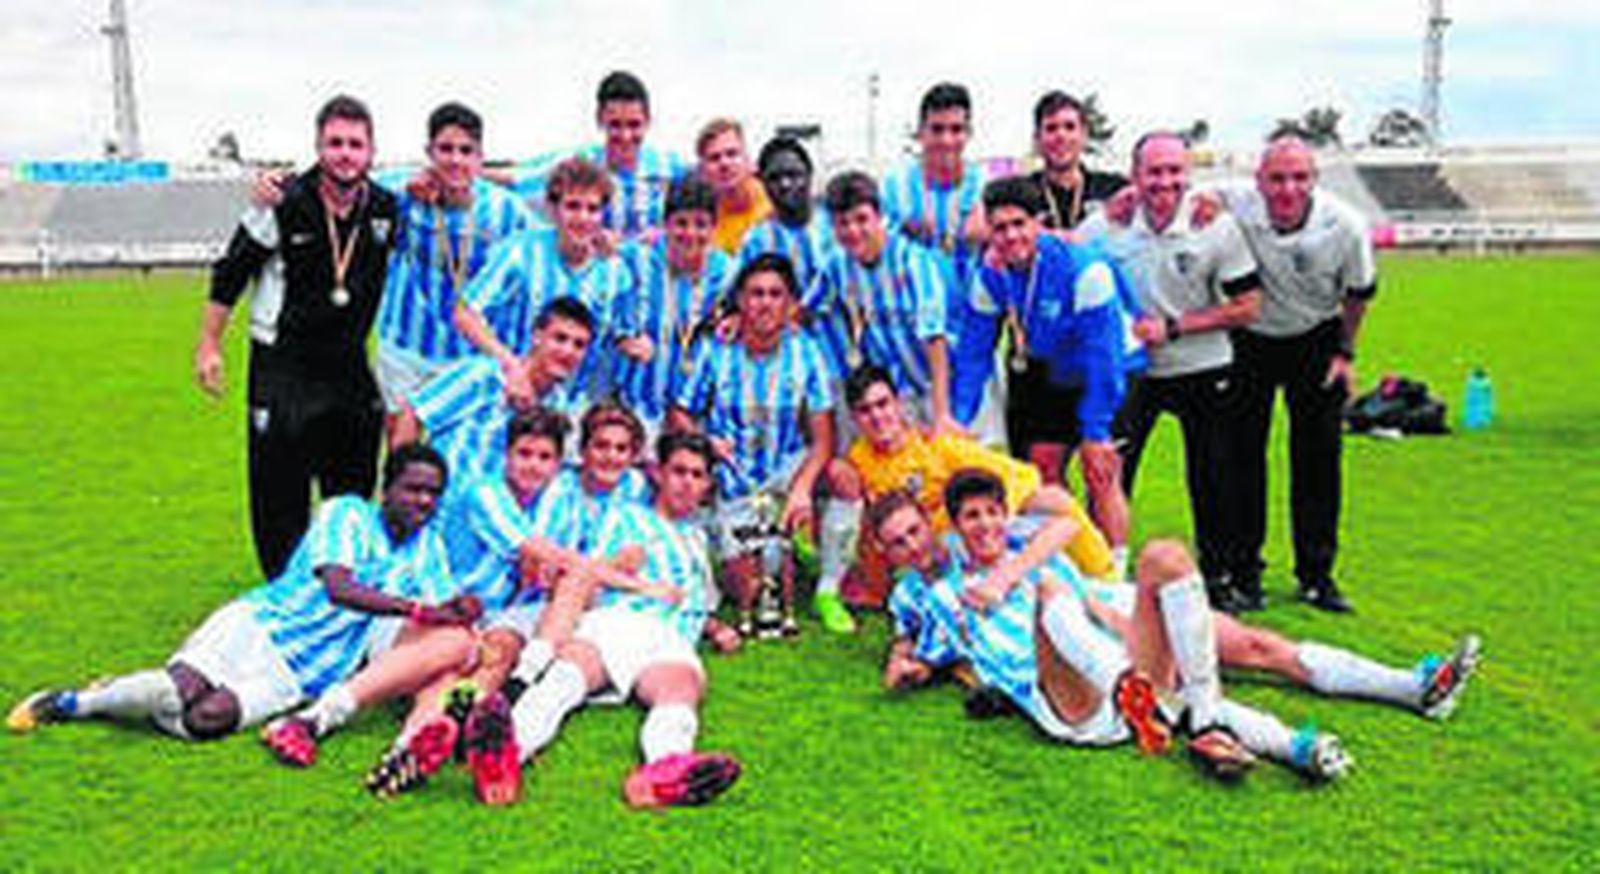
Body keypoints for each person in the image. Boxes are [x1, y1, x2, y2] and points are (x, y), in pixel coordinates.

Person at [878, 470, 1355, 782]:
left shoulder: (1017, 546)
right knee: (1049, 588)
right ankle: (1140, 695)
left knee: (1165, 559)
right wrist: (905, 664)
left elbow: (1061, 518)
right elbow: (915, 646)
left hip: (1106, 640)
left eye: (915, 532)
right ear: (955, 528)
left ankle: (1301, 739)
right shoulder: (938, 595)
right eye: (898, 543)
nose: (913, 547)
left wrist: (1009, 575)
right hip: (1068, 697)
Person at [9, 446, 478, 742]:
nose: (424, 502)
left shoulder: (428, 546)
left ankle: (136, 696)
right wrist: (417, 607)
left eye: (433, 493)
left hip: (305, 672)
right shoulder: (347, 513)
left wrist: (460, 608)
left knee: (204, 721)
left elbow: (441, 607)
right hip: (261, 626)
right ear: (386, 487)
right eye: (414, 489)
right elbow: (338, 588)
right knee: (181, 687)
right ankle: (77, 702)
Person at [196, 95, 400, 578]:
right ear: (318, 146)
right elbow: (232, 271)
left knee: (350, 495)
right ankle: (282, 597)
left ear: (371, 152)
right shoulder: (282, 201)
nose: (345, 154)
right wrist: (209, 344)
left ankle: (341, 593)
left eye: (355, 144)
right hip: (283, 369)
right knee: (279, 498)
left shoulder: (386, 209)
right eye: (335, 143)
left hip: (349, 368)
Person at [490, 431, 742, 809]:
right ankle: (506, 755)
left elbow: (688, 600)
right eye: (678, 471)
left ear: (706, 485)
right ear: (658, 473)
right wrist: (636, 582)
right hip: (618, 620)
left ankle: (663, 771)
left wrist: (715, 627)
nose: (686, 483)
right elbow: (590, 571)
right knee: (567, 677)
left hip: (670, 637)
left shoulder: (696, 539)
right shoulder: (627, 518)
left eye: (697, 475)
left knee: (681, 689)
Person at [1080, 132, 1263, 610]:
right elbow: (1061, 253)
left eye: (1174, 171)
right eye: (1153, 172)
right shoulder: (1108, 225)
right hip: (1131, 372)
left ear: (1188, 173)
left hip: (1202, 366)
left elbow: (1248, 306)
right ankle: (1099, 570)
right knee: (1109, 473)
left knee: (1213, 475)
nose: (1165, 182)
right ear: (1134, 176)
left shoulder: (1215, 225)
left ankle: (1219, 578)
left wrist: (1176, 327)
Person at [1219, 135, 1378, 613]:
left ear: (1315, 180)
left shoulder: (1346, 225)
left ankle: (1317, 575)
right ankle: (1245, 574)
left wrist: (1345, 354)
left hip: (1316, 338)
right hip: (1251, 339)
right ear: (1258, 181)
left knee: (1318, 460)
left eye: (1299, 177)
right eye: (1276, 178)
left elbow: (1360, 294)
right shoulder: (1238, 204)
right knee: (1242, 457)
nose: (1287, 189)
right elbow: (1183, 191)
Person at [669, 254, 857, 635]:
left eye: (775, 294)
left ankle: (828, 589)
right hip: (733, 481)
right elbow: (679, 414)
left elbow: (824, 439)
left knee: (842, 476)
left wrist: (802, 489)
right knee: (750, 588)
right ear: (739, 299)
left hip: (783, 475)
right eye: (755, 294)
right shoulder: (715, 349)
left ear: (790, 304)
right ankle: (743, 561)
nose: (765, 303)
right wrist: (704, 443)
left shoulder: (807, 351)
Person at [966, 176, 1132, 576]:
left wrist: (1096, 431)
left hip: (1105, 370)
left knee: (1101, 471)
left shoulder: (1083, 269)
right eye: (1000, 227)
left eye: (1019, 224)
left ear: (1038, 223)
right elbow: (974, 352)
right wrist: (958, 417)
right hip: (1048, 370)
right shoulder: (991, 273)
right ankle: (1073, 560)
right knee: (1043, 467)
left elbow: (1104, 356)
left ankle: (1116, 573)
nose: (1010, 236)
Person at [840, 363, 1113, 607]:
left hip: (972, 538)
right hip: (925, 554)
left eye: (883, 404)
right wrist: (875, 585)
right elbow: (869, 525)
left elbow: (1021, 476)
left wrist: (998, 517)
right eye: (865, 411)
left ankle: (1104, 577)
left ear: (898, 404)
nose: (877, 417)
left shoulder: (937, 446)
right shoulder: (858, 461)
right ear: (854, 418)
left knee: (1053, 500)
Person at [371, 102, 535, 447]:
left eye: (466, 151)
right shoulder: (405, 193)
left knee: (459, 455)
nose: (456, 160)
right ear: (429, 153)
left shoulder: (506, 210)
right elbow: (358, 182)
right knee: (402, 453)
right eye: (445, 149)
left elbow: (548, 241)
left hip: (471, 355)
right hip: (406, 348)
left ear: (480, 157)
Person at [455, 157, 636, 404]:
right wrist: (510, 365)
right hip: (510, 391)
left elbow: (621, 336)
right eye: (573, 206)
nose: (583, 218)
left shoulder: (616, 273)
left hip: (569, 408)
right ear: (553, 209)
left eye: (592, 209)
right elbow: (465, 314)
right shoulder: (520, 251)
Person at [807, 171, 961, 435]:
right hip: (898, 395)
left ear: (879, 217)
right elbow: (803, 309)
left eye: (862, 219)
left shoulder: (912, 261)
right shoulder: (836, 265)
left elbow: (935, 338)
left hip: (944, 386)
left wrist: (942, 413)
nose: (853, 231)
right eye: (843, 223)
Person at [395, 298, 593, 499]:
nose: (568, 352)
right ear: (537, 336)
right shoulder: (484, 376)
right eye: (560, 339)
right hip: (442, 509)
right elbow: (413, 414)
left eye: (579, 345)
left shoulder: (558, 407)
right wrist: (400, 483)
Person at [614, 177, 735, 441]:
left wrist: (735, 320)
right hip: (634, 410)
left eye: (701, 224)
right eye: (681, 223)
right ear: (665, 225)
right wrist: (622, 339)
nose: (690, 234)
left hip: (693, 416)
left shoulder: (727, 273)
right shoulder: (635, 260)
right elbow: (599, 309)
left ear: (714, 227)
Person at [510, 70, 688, 239]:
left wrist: (664, 233)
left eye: (634, 125)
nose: (625, 136)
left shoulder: (670, 167)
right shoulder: (581, 163)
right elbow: (516, 178)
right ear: (600, 120)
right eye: (615, 125)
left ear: (648, 121)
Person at [880, 82, 987, 287]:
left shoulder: (985, 187)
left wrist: (989, 230)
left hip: (969, 313)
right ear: (920, 133)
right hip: (913, 313)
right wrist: (902, 232)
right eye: (937, 129)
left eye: (956, 130)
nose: (946, 140)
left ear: (969, 133)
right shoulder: (895, 187)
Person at [738, 136, 836, 292]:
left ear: (809, 175)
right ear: (763, 184)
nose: (785, 184)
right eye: (774, 178)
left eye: (793, 175)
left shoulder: (838, 227)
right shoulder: (755, 242)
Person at [1027, 91, 1127, 233]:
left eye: (1070, 127)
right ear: (1037, 139)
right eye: (1051, 128)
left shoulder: (1114, 190)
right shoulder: (1020, 195)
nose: (1061, 136)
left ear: (1084, 135)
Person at [696, 118, 772, 256]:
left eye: (732, 154)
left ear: (747, 160)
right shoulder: (699, 223)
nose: (724, 163)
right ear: (702, 171)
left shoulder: (774, 202)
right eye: (714, 158)